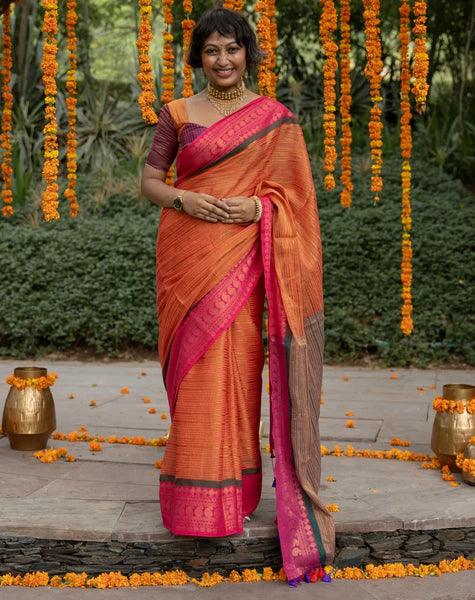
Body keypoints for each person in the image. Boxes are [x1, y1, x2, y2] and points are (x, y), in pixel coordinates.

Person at [141, 6, 335, 582]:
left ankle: (234, 494)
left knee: (237, 369)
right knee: (193, 374)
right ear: (197, 57)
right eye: (211, 51)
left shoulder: (274, 120)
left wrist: (257, 208)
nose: (222, 60)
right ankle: (192, 500)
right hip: (184, 256)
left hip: (246, 258)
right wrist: (185, 199)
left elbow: (296, 200)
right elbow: (151, 181)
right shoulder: (177, 114)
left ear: (249, 53)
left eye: (232, 49)